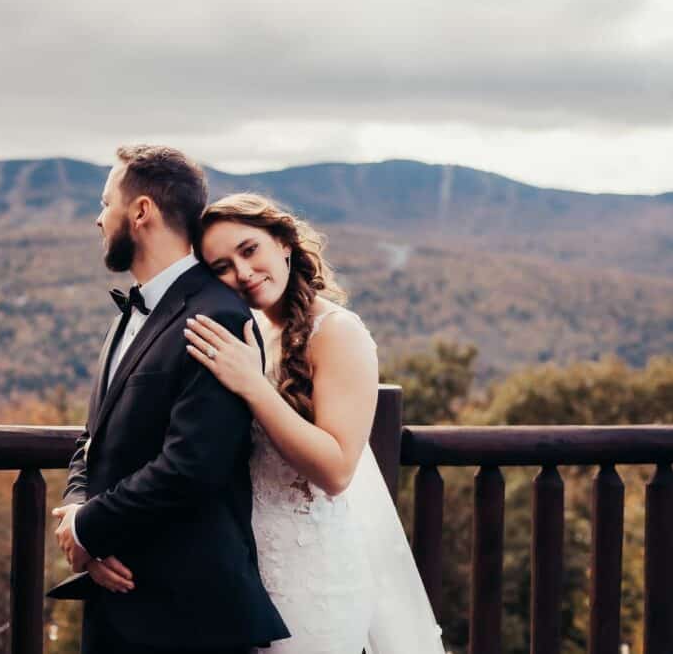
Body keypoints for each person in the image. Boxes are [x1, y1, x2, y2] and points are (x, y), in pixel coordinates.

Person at [50, 147, 289, 653]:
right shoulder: (124, 319)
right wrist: (79, 517)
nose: (98, 219)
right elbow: (91, 441)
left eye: (105, 202)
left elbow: (193, 464)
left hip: (186, 615)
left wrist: (91, 527)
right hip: (116, 604)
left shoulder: (217, 316)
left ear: (140, 212)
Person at [183, 192, 445, 653]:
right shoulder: (251, 332)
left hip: (312, 575)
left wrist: (253, 385)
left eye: (249, 250)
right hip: (245, 573)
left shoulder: (338, 332)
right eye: (222, 266)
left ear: (283, 242)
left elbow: (338, 470)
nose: (243, 273)